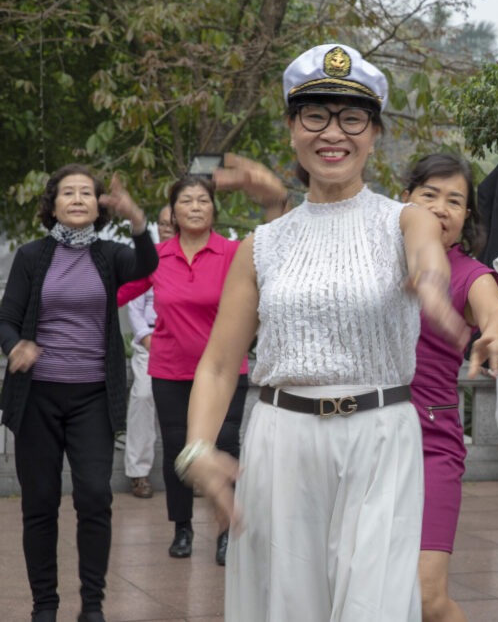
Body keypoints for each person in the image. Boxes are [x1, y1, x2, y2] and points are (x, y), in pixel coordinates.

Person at [175, 43, 471, 622]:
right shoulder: (262, 246)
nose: (333, 133)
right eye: (315, 115)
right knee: (285, 607)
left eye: (351, 117)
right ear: (292, 128)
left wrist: (432, 288)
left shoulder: (403, 217)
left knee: (375, 608)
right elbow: (216, 365)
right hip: (281, 442)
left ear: (374, 133)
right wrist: (198, 451)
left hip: (381, 438)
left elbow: (427, 258)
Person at [0, 165, 157, 622]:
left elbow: (148, 265)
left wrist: (137, 219)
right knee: (40, 503)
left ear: (97, 206)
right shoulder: (31, 257)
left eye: (86, 193)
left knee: (93, 496)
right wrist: (16, 346)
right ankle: (44, 606)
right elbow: (7, 318)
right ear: (52, 205)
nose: (77, 199)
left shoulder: (111, 256)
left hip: (92, 396)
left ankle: (92, 605)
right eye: (67, 193)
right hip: (37, 398)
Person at [117, 157, 286, 565]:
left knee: (225, 447)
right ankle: (183, 529)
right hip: (170, 371)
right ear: (172, 213)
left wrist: (274, 199)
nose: (195, 207)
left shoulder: (233, 253)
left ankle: (226, 533)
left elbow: (277, 253)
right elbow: (114, 292)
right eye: (186, 201)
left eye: (202, 200)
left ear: (214, 209)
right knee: (181, 452)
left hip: (227, 372)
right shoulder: (156, 257)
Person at [400, 153, 498, 622]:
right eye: (429, 195)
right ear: (405, 199)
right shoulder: (372, 262)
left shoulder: (470, 273)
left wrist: (494, 330)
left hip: (431, 443)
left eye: (455, 201)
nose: (441, 208)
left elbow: (495, 309)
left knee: (428, 600)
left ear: (467, 216)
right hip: (364, 435)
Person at [122, 205, 174, 499]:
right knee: (142, 396)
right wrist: (146, 339)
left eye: (171, 223)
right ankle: (138, 473)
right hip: (150, 342)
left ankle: (194, 474)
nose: (166, 228)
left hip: (186, 342)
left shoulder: (189, 257)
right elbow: (134, 307)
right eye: (162, 223)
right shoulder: (148, 259)